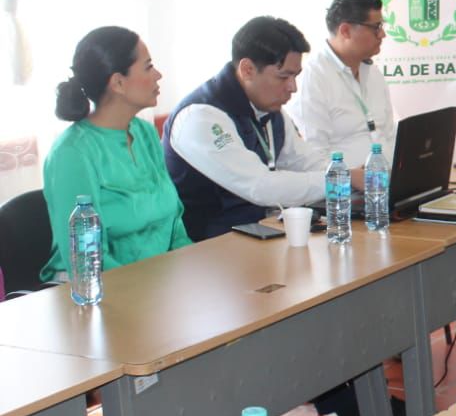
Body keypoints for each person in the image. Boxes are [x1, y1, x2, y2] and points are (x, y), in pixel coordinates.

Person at [163, 16, 363, 242]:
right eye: (283, 77)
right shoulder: (200, 117)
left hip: (259, 232)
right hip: (207, 246)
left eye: (295, 76)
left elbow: (303, 160)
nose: (293, 87)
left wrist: (351, 174)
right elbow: (259, 186)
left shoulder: (268, 107)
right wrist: (341, 179)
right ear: (247, 69)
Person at [40, 27, 192, 281]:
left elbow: (175, 226)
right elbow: (86, 260)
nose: (158, 75)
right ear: (118, 83)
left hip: (157, 280)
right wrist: (149, 289)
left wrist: (194, 265)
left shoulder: (144, 132)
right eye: (148, 67)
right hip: (98, 288)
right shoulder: (72, 153)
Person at [288, 0, 396, 166]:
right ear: (345, 31)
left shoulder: (373, 72)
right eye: (376, 27)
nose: (382, 34)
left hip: (388, 177)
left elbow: (389, 135)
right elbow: (314, 158)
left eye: (382, 26)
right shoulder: (313, 77)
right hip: (346, 182)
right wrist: (355, 178)